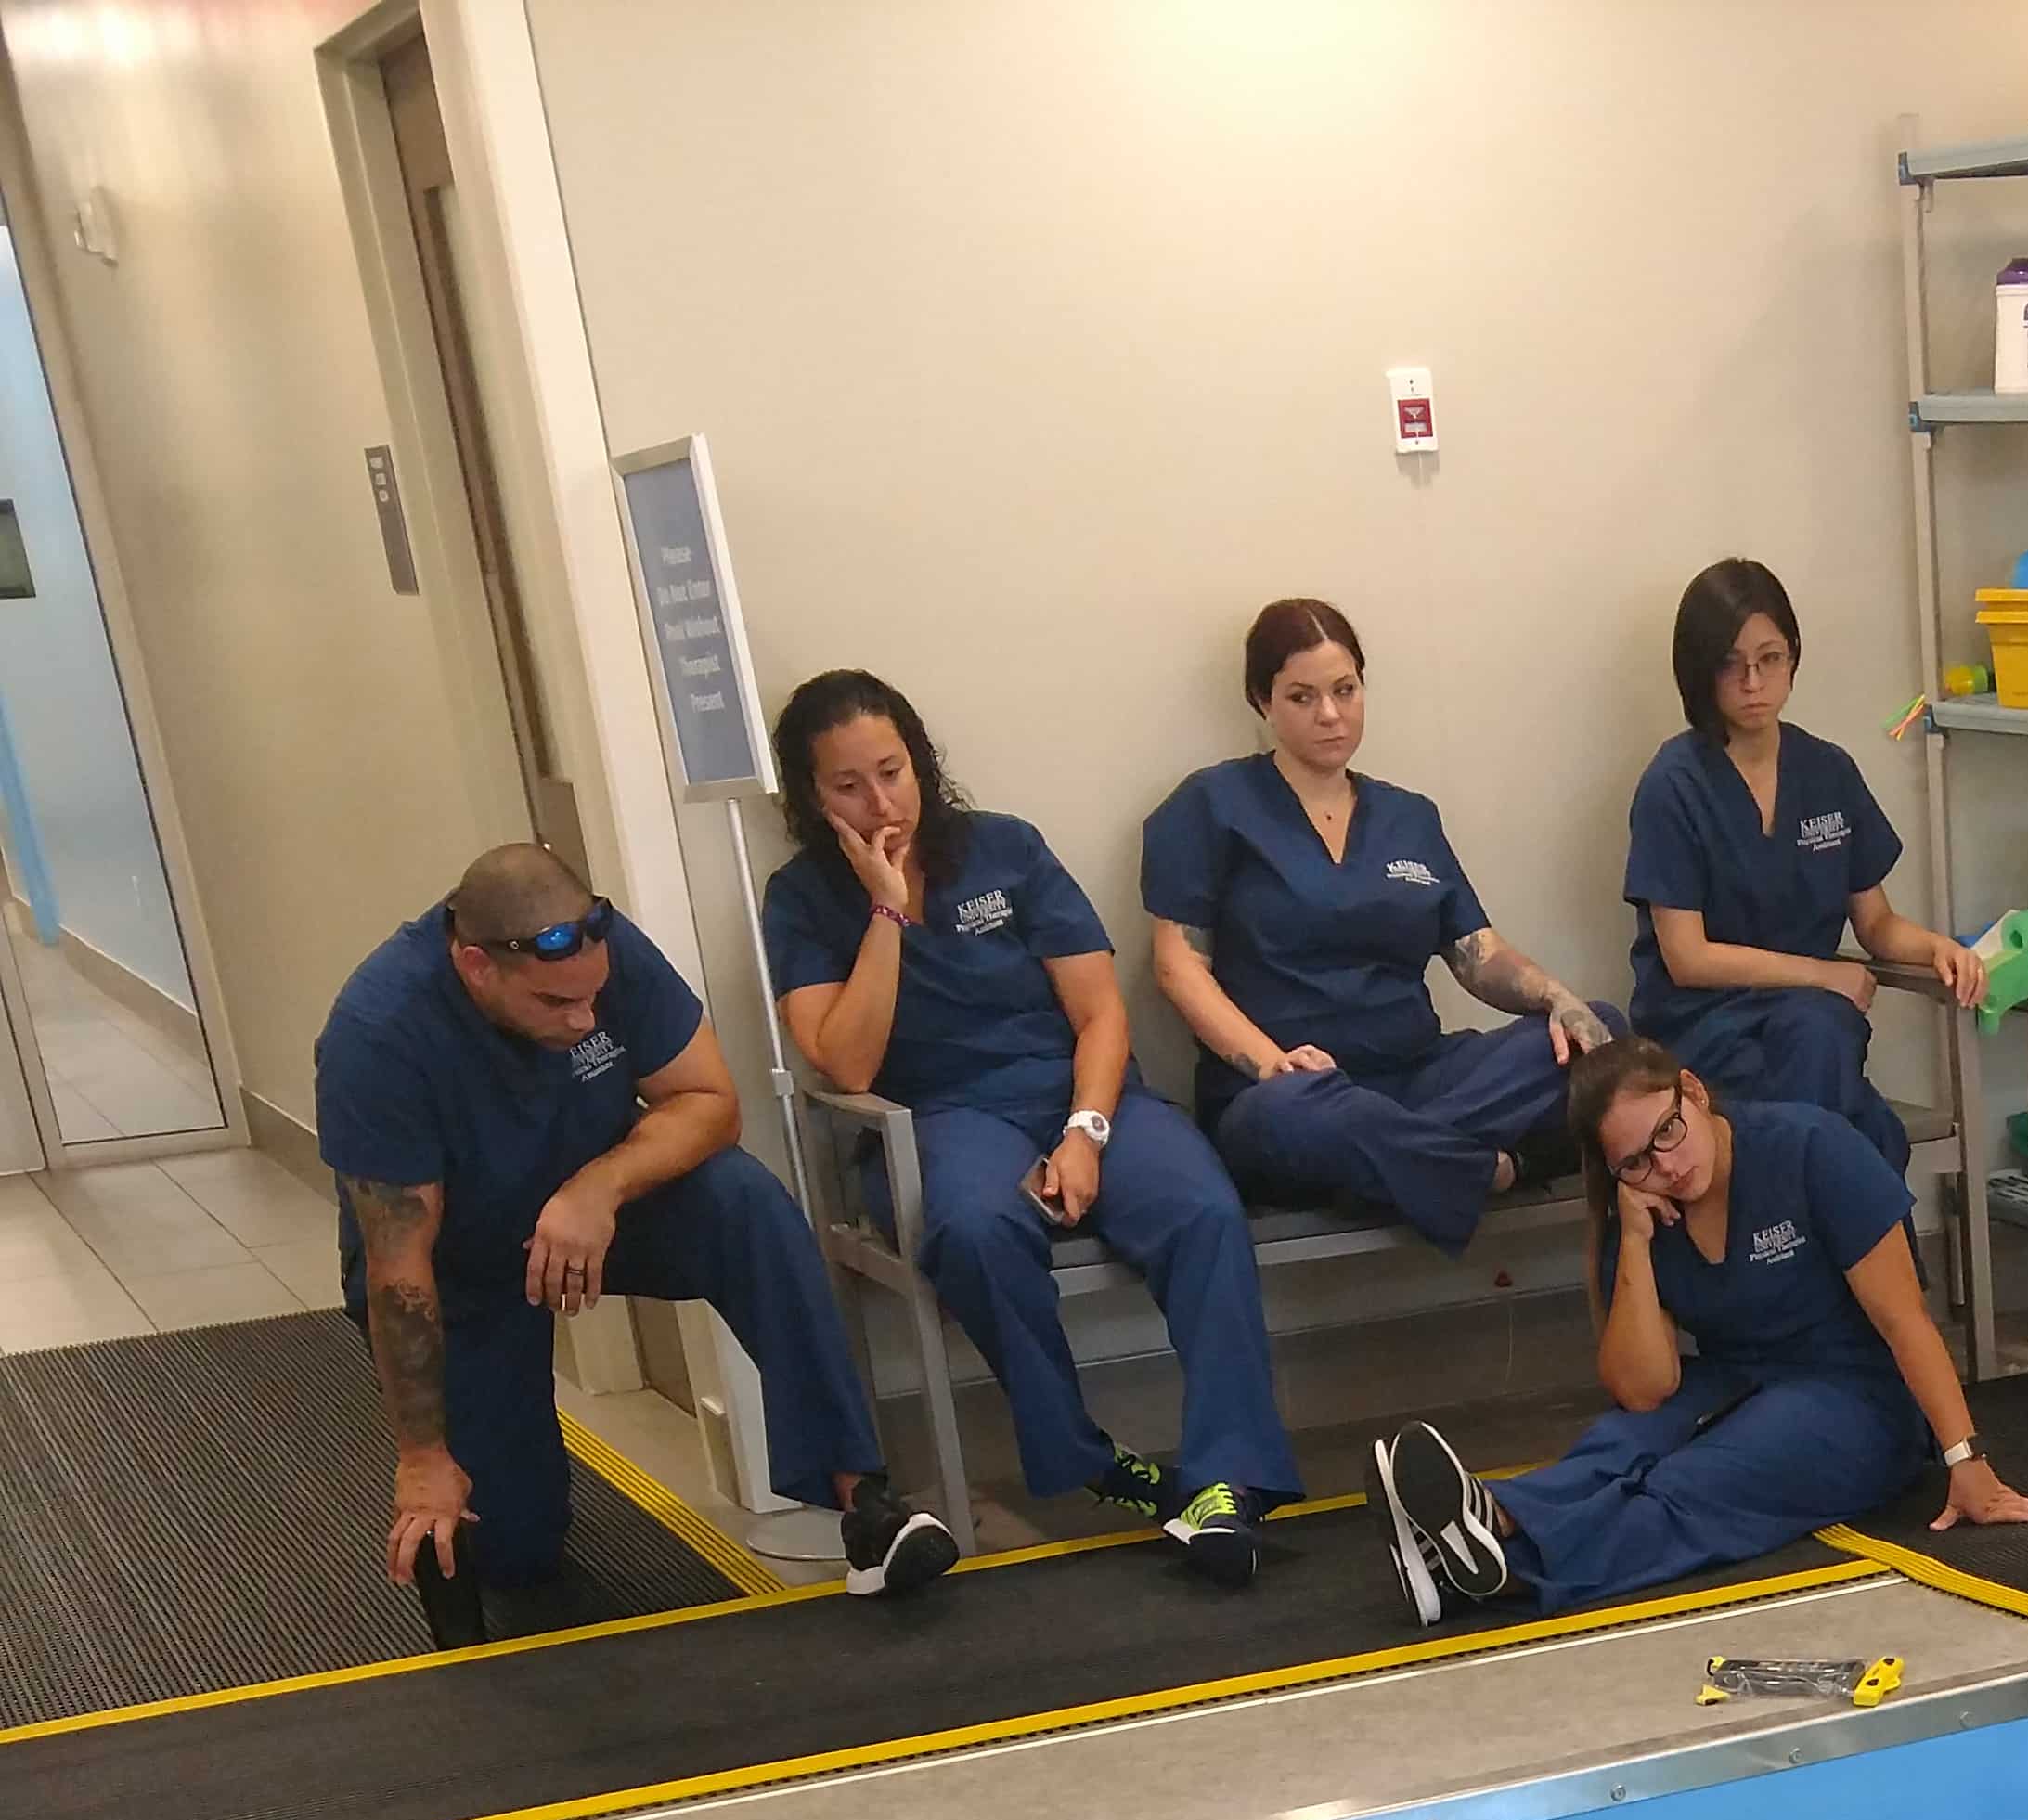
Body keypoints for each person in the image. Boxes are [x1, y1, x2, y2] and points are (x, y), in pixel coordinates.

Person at [315, 842, 954, 1645]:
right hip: (458, 1265)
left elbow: (711, 1103)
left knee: (744, 1201)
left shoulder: (603, 957)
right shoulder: (378, 1035)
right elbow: (400, 1273)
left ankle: (863, 1501)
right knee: (517, 1552)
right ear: (477, 966)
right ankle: (497, 1512)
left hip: (595, 1211)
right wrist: (422, 1459)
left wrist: (600, 1188)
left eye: (594, 999)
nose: (585, 1018)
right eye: (556, 1005)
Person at [762, 670, 1301, 1585]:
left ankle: (1227, 1484)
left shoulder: (1006, 850)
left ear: (921, 762)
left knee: (1204, 1211)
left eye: (892, 771)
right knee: (973, 1229)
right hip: (947, 1116)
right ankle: (1090, 1461)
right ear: (814, 797)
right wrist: (887, 908)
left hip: (1088, 1094)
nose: (879, 799)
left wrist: (1086, 1131)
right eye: (848, 784)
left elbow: (1099, 1014)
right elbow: (845, 1065)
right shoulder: (801, 899)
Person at [1363, 1035, 2028, 1628]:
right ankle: (1488, 1521)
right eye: (1635, 1161)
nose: (1664, 1164)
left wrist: (1968, 1462)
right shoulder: (1643, 1207)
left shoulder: (1811, 1147)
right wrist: (1632, 1238)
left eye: (1667, 1131)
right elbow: (1642, 1389)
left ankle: (1504, 1568)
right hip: (1734, 1379)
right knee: (1622, 1442)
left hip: (1858, 1395)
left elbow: (1908, 1325)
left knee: (1699, 1482)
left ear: (1692, 1091)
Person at [1141, 597, 1621, 1260]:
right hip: (1287, 1094)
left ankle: (1401, 1166)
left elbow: (1476, 953)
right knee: (1304, 1120)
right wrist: (1273, 1066)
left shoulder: (1409, 817)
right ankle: (1496, 1168)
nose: (1331, 714)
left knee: (1601, 1032)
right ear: (1262, 702)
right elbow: (1177, 965)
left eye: (1345, 690)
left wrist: (1556, 999)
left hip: (1419, 1075)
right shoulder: (1210, 806)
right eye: (1302, 697)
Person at [1623, 556, 1978, 1174]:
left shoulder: (1828, 772)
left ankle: (1811, 1238)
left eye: (1770, 659)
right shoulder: (1672, 785)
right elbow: (1688, 957)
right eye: (1732, 664)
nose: (1754, 682)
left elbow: (1875, 923)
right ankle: (1869, 1258)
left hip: (1811, 1027)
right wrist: (1821, 974)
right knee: (1863, 1130)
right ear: (1700, 671)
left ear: (1793, 657)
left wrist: (1935, 948)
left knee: (1818, 1056)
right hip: (1707, 1029)